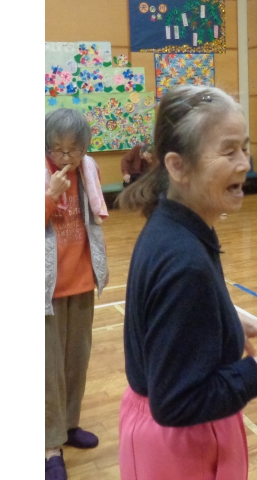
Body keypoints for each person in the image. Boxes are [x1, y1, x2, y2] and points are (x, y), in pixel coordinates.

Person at [116, 85, 257, 480]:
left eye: (244, 148)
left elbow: (165, 322)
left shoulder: (173, 226)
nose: (245, 163)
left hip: (170, 438)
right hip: (178, 449)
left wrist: (224, 318)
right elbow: (176, 402)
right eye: (228, 151)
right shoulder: (184, 261)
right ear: (178, 166)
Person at [45, 109, 109, 480]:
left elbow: (95, 219)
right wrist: (50, 196)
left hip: (82, 279)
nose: (65, 157)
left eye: (73, 150)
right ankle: (49, 445)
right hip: (46, 287)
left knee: (76, 361)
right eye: (57, 149)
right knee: (48, 369)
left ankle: (69, 425)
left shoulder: (88, 170)